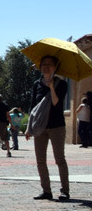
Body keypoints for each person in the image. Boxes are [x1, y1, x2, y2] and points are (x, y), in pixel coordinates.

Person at [26, 55, 69, 200]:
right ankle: (46, 191)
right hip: (39, 127)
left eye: (50, 64)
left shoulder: (61, 84)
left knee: (59, 159)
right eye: (44, 63)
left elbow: (57, 103)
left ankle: (65, 191)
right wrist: (28, 127)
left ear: (55, 67)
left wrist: (51, 87)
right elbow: (33, 107)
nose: (46, 66)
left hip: (57, 126)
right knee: (40, 160)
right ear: (40, 66)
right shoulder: (36, 84)